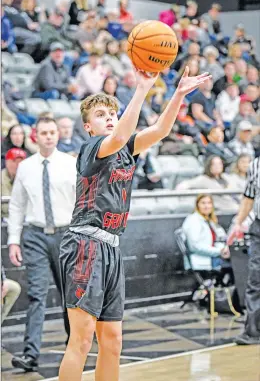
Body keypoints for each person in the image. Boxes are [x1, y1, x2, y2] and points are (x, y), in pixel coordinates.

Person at [58, 67, 211, 381]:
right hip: (86, 244)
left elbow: (159, 131)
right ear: (88, 126)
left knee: (113, 341)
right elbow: (119, 136)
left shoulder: (126, 149)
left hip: (112, 247)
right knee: (82, 339)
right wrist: (141, 89)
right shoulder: (92, 148)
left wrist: (179, 95)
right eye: (102, 114)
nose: (110, 117)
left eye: (113, 112)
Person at [8, 117, 77, 371]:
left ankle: (75, 345)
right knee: (36, 294)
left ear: (58, 135)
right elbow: (17, 206)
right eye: (44, 133)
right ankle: (30, 354)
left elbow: (81, 201)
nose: (48, 137)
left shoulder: (71, 164)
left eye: (52, 132)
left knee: (69, 294)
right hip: (35, 235)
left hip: (66, 235)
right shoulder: (25, 167)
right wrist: (13, 241)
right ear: (35, 136)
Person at [228, 157, 260, 345]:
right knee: (255, 279)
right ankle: (253, 332)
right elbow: (249, 197)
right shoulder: (256, 164)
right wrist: (237, 223)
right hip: (259, 226)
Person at [176, 155, 240, 213]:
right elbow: (185, 185)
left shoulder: (227, 177)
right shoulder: (204, 179)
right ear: (209, 166)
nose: (218, 166)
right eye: (214, 164)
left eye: (219, 164)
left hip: (237, 207)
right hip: (222, 210)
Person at [182, 193, 230, 271]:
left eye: (209, 203)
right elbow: (195, 246)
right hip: (203, 260)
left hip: (214, 257)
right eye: (203, 203)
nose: (206, 206)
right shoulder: (193, 220)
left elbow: (220, 238)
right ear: (197, 205)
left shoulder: (210, 221)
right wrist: (219, 251)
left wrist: (224, 249)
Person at [1, 148, 27, 219]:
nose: (18, 165)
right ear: (7, 162)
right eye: (14, 161)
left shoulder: (31, 178)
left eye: (21, 161)